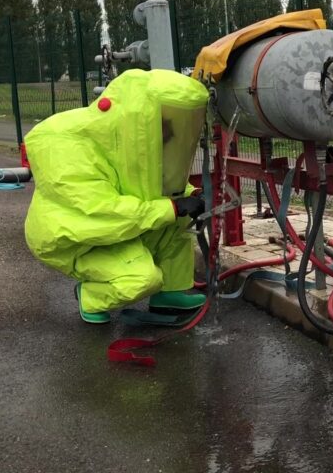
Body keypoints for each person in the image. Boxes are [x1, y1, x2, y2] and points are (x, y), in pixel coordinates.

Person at [23, 69, 209, 324]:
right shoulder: (65, 145)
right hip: (77, 238)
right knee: (142, 279)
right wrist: (173, 208)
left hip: (119, 226)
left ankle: (170, 292)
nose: (170, 131)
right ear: (138, 117)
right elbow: (102, 210)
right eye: (166, 121)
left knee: (175, 221)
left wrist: (190, 195)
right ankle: (90, 296)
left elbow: (152, 182)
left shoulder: (133, 138)